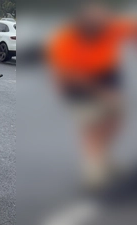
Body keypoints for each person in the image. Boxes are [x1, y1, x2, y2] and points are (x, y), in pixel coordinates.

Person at [46, 2, 136, 190]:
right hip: (77, 86)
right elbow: (71, 76)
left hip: (108, 78)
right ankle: (94, 172)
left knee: (114, 118)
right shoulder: (65, 39)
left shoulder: (111, 26)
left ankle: (105, 156)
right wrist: (103, 94)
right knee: (91, 124)